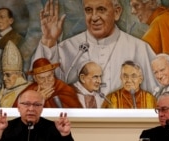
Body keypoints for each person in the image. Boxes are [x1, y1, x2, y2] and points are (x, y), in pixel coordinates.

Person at [30, 0, 158, 96]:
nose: (94, 17)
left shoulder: (139, 48)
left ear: (117, 12)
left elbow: (155, 95)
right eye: (89, 10)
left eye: (101, 10)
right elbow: (41, 87)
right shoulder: (67, 47)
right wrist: (48, 41)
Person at [0, 90, 74, 141]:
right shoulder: (7, 128)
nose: (31, 109)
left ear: (42, 108)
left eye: (37, 105)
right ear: (18, 107)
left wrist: (65, 135)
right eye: (26, 104)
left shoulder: (53, 128)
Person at [130, 0, 169, 68]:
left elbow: (141, 58)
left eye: (136, 6)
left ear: (152, 3)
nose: (132, 11)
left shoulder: (160, 21)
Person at [18, 58, 82, 108]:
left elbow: (75, 112)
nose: (46, 81)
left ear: (53, 73)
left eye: (49, 76)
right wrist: (37, 100)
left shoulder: (64, 88)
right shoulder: (30, 90)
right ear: (35, 78)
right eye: (42, 78)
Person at [0, 40, 32, 107]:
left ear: (19, 74)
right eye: (3, 74)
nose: (4, 78)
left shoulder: (29, 90)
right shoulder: (3, 90)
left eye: (8, 75)